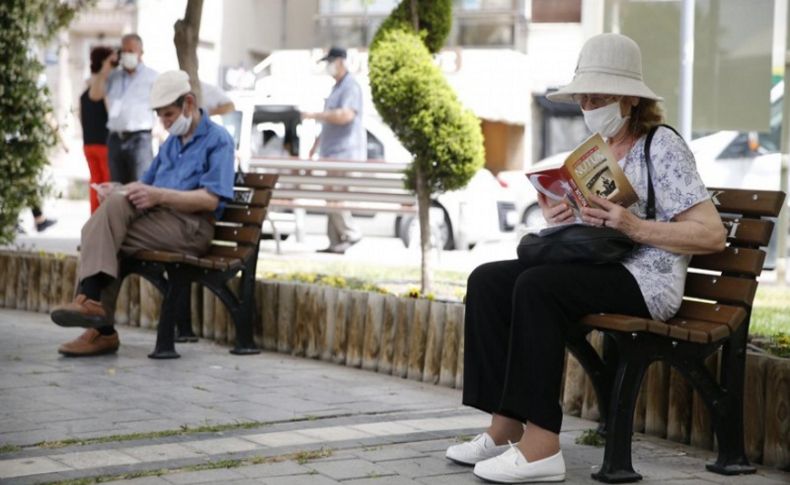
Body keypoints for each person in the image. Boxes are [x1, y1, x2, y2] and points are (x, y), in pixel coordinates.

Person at [444, 33, 727, 484]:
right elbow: (595, 230)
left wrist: (633, 225)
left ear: (631, 100)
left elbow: (712, 235)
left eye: (600, 96)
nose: (588, 104)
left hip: (647, 282)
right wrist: (559, 213)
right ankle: (504, 427)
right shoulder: (595, 151)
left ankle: (541, 447)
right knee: (488, 280)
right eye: (583, 97)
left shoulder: (662, 146)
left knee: (537, 288)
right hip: (601, 267)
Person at [50, 70, 235, 357]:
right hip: (160, 222)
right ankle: (96, 315)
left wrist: (159, 196)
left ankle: (96, 317)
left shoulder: (218, 139)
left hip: (192, 228)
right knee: (112, 211)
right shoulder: (172, 143)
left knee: (104, 234)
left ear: (189, 103)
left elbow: (211, 200)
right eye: (160, 116)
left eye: (170, 114)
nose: (165, 122)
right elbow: (145, 185)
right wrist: (119, 188)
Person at [301, 46, 366, 254]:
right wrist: (314, 147)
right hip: (331, 152)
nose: (328, 67)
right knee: (330, 196)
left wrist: (315, 115)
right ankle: (335, 242)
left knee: (335, 197)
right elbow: (329, 123)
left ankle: (351, 232)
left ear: (340, 62)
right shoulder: (336, 87)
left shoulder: (350, 87)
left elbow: (345, 115)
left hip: (344, 152)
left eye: (330, 62)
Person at [89, 33, 158, 184]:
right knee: (117, 187)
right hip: (115, 138)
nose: (127, 55)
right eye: (124, 51)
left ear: (141, 53)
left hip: (140, 138)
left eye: (131, 51)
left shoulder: (152, 77)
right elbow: (94, 95)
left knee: (140, 185)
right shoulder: (114, 76)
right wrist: (106, 68)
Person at [81, 46, 114, 213]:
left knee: (95, 183)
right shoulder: (103, 86)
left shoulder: (85, 87)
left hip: (88, 143)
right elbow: (112, 115)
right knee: (107, 183)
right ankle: (103, 218)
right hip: (104, 143)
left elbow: (80, 116)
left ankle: (94, 218)